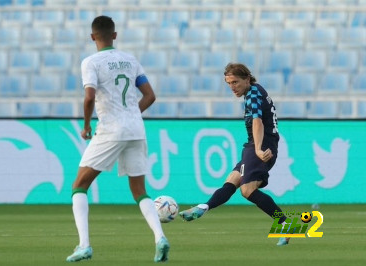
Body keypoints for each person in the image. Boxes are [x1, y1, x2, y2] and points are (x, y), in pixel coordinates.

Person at [66, 15, 169, 263]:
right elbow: (150, 95)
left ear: (93, 37)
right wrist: (131, 113)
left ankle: (84, 245)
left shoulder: (91, 62)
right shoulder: (130, 60)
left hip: (110, 129)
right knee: (139, 190)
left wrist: (87, 125)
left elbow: (89, 96)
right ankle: (160, 238)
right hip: (136, 128)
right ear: (115, 35)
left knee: (79, 186)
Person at [179, 63, 291, 246]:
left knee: (247, 190)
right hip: (255, 144)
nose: (232, 87)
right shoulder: (255, 91)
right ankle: (203, 207)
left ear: (247, 79)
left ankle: (285, 223)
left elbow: (258, 122)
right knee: (231, 181)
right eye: (229, 83)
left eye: (235, 82)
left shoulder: (253, 93)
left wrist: (257, 149)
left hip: (260, 145)